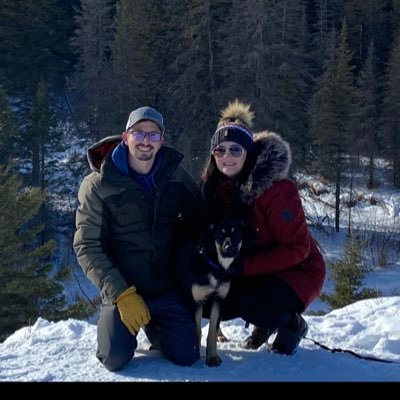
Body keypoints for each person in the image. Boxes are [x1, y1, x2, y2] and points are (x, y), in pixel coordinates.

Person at [73, 106, 202, 371]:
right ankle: (117, 323)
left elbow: (199, 220)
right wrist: (120, 293)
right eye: (138, 133)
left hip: (165, 288)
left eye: (153, 135)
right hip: (124, 290)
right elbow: (87, 246)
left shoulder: (176, 176)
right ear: (125, 137)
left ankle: (156, 325)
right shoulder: (98, 184)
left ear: (161, 141)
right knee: (114, 358)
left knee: (187, 356)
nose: (145, 141)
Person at [198, 99, 326, 355]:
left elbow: (298, 249)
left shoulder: (277, 190)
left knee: (252, 303)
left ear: (249, 153)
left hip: (298, 272)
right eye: (220, 150)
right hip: (252, 271)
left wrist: (243, 267)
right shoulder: (215, 187)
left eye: (236, 150)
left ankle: (291, 324)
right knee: (208, 300)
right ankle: (265, 319)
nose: (227, 157)